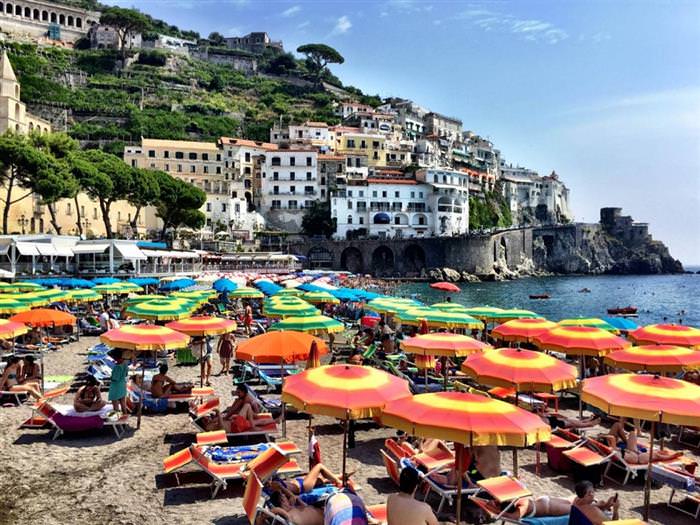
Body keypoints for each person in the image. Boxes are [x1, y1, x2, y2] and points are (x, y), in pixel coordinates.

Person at [107, 349, 129, 414]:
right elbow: (126, 374)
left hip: (116, 386)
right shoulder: (125, 364)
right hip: (122, 384)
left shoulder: (117, 367)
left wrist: (110, 377)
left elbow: (115, 378)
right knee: (123, 403)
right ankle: (125, 417)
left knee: (115, 404)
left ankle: (117, 420)